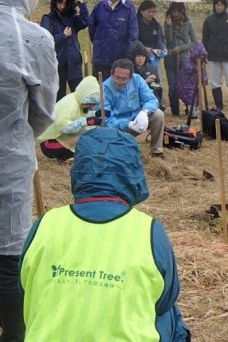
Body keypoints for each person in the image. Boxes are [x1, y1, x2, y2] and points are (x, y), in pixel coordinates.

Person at [20, 127, 191, 341]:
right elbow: (164, 300)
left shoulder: (45, 223)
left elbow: (26, 287)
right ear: (134, 172)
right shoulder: (149, 231)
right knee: (169, 312)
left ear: (78, 169)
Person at [0, 0, 58, 342]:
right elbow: (43, 113)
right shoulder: (32, 38)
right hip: (8, 167)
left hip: (10, 163)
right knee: (8, 263)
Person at [102, 58, 165, 158]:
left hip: (138, 119)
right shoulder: (104, 89)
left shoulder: (137, 80)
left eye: (124, 79)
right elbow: (106, 121)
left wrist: (144, 112)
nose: (119, 82)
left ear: (130, 77)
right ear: (111, 74)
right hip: (117, 127)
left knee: (158, 114)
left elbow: (152, 99)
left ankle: (156, 151)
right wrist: (127, 124)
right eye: (117, 78)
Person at [40, 0, 90, 100]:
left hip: (74, 63)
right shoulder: (48, 19)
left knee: (79, 97)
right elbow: (45, 42)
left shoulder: (72, 18)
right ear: (55, 2)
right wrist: (63, 36)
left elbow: (86, 21)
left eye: (65, 3)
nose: (62, 6)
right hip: (58, 65)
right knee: (59, 98)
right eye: (59, 2)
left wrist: (81, 4)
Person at [37, 76, 102, 162]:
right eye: (91, 104)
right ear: (84, 98)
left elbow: (79, 116)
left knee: (87, 136)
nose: (91, 107)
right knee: (83, 138)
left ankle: (70, 156)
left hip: (58, 139)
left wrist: (96, 114)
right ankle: (65, 157)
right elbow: (64, 128)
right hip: (49, 144)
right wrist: (87, 121)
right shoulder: (70, 105)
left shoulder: (76, 99)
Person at [88, 0, 138, 82]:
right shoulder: (100, 6)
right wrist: (98, 43)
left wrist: (128, 56)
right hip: (100, 57)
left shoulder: (128, 8)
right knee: (99, 88)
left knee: (117, 89)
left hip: (119, 57)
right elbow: (91, 28)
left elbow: (133, 33)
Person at [164, 2, 198, 116]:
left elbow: (194, 42)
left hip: (184, 59)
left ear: (182, 11)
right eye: (173, 11)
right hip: (170, 58)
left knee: (186, 85)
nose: (175, 14)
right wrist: (168, 26)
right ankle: (175, 110)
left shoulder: (188, 24)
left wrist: (182, 48)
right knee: (172, 86)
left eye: (178, 11)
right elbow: (168, 41)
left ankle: (190, 109)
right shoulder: (167, 22)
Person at [176, 42, 208, 118]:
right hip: (186, 85)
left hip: (196, 85)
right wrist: (196, 69)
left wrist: (205, 79)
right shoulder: (187, 62)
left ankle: (193, 110)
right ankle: (192, 112)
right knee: (190, 98)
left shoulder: (202, 64)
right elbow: (188, 69)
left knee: (196, 98)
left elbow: (204, 74)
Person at [129, 41, 164, 108]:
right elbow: (129, 87)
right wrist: (145, 81)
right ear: (133, 56)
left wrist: (155, 81)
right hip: (133, 100)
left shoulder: (151, 68)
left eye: (143, 56)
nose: (141, 59)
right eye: (138, 56)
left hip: (150, 99)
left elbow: (158, 86)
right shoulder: (129, 70)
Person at [136, 0, 167, 68]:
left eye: (153, 12)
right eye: (149, 12)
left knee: (155, 76)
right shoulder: (135, 24)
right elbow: (134, 40)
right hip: (139, 56)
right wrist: (143, 48)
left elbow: (160, 39)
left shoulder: (156, 25)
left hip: (153, 56)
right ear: (141, 11)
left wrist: (163, 48)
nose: (151, 14)